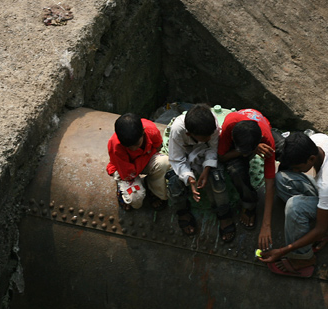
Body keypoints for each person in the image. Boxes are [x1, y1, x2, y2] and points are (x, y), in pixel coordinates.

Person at [258, 130, 328, 277]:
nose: (296, 171)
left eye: (298, 167)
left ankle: (302, 259)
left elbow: (320, 228)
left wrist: (283, 250)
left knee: (294, 206)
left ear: (311, 159)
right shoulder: (317, 140)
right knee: (282, 179)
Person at [165, 104, 235, 241]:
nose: (209, 137)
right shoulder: (178, 130)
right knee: (174, 183)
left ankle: (224, 215)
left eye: (210, 135)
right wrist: (189, 178)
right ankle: (183, 212)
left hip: (204, 153)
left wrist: (207, 168)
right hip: (186, 155)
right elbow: (177, 159)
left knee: (218, 180)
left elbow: (212, 147)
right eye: (205, 137)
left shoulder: (211, 125)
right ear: (189, 134)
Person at [216, 108, 277, 250]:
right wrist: (242, 152)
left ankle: (249, 204)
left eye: (247, 153)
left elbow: (270, 184)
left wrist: (266, 225)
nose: (245, 156)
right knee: (234, 169)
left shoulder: (267, 140)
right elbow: (222, 156)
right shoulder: (230, 124)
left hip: (260, 130)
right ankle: (247, 199)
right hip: (243, 134)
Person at [106, 113, 170, 211]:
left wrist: (145, 157)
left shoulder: (151, 130)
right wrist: (149, 153)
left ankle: (153, 189)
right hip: (125, 170)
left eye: (136, 144)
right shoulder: (115, 145)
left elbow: (158, 146)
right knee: (135, 199)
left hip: (139, 164)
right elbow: (129, 174)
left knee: (164, 162)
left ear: (143, 132)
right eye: (128, 146)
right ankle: (122, 191)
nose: (133, 149)